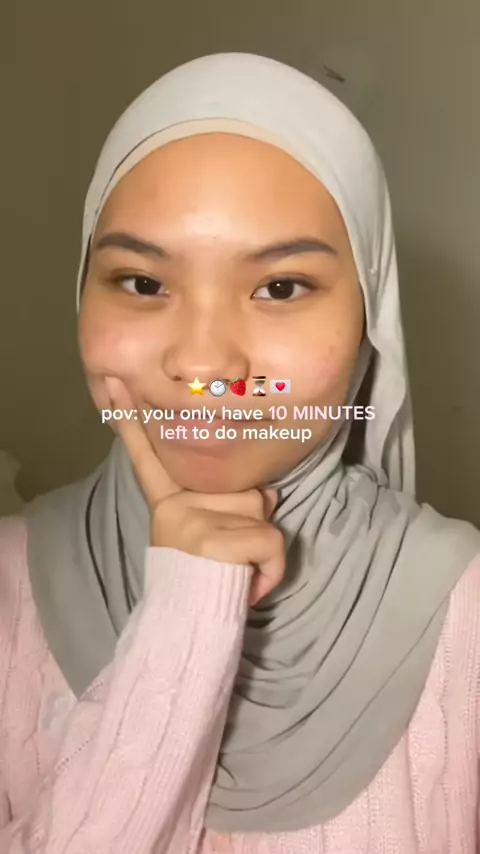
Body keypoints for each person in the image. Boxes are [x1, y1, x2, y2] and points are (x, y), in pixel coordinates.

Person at [0, 52, 479, 854]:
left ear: (370, 317)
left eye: (281, 287)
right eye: (142, 283)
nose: (205, 364)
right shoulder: (10, 588)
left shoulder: (465, 615)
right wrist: (184, 614)